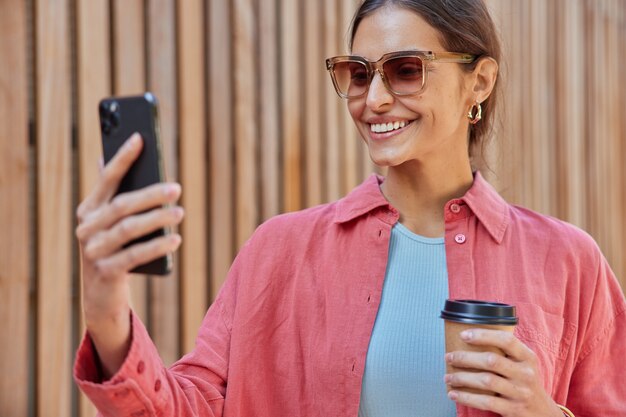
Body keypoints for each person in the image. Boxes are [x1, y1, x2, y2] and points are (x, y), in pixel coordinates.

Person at [74, 0, 626, 416]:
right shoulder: (280, 250)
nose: (375, 99)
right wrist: (106, 311)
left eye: (406, 69)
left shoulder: (568, 261)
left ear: (477, 82)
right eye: (359, 74)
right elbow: (186, 405)